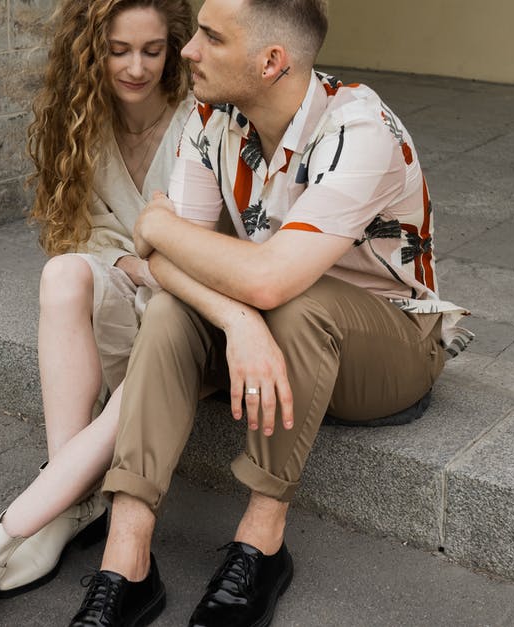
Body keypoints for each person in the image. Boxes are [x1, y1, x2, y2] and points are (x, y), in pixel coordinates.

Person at [68, 0, 473, 625]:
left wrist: (162, 226)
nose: (187, 51)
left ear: (271, 62)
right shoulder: (212, 117)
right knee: (174, 310)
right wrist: (235, 320)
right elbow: (164, 267)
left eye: (210, 38)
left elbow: (265, 277)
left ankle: (262, 542)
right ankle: (128, 557)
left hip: (391, 346)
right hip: (277, 321)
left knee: (292, 299)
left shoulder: (359, 129)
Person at [0, 0, 195, 624]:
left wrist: (152, 270)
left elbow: (208, 250)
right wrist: (135, 265)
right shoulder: (82, 123)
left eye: (152, 50)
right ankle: (71, 504)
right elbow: (84, 239)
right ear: (93, 48)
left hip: (184, 315)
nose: (135, 67)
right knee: (63, 273)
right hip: (134, 293)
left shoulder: (198, 124)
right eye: (118, 50)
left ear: (175, 49)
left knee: (167, 319)